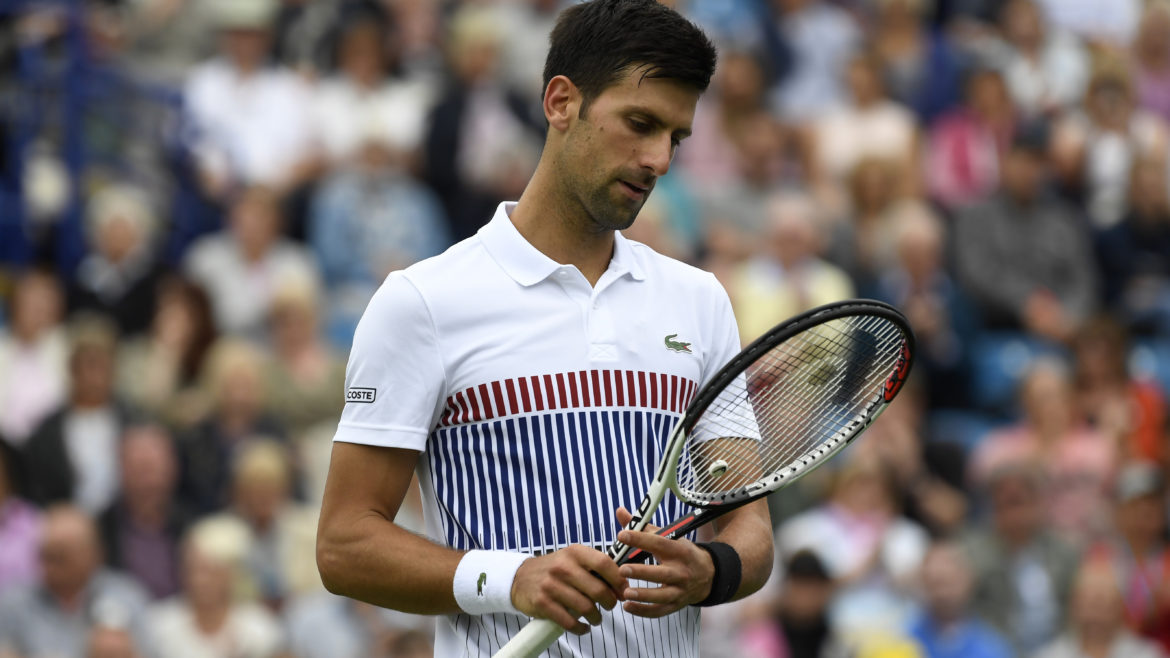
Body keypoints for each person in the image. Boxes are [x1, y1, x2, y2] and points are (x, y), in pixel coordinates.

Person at [315, 1, 774, 656]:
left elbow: (749, 526)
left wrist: (714, 571)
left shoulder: (699, 300)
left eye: (676, 137)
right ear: (561, 102)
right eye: (639, 123)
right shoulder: (421, 302)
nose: (658, 160)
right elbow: (344, 545)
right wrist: (510, 578)